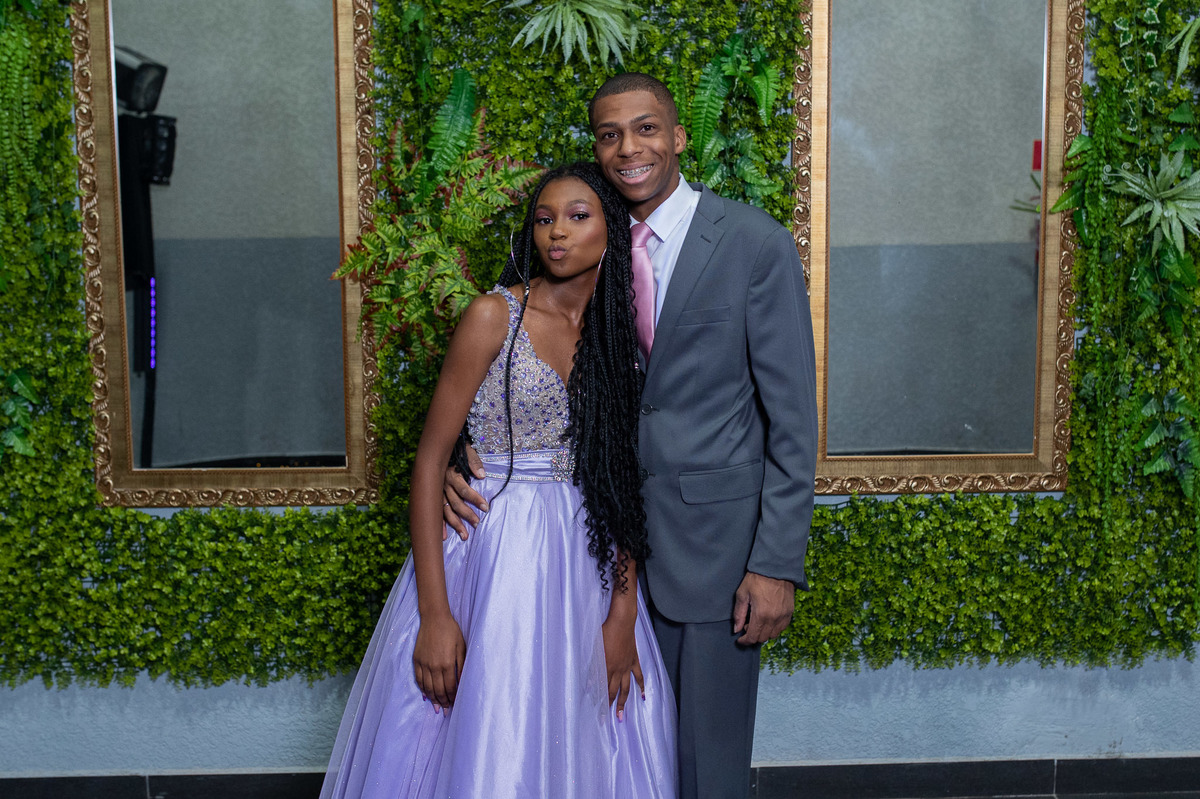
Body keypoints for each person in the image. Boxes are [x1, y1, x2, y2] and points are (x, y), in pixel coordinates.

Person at [444, 74, 817, 798]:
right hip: (585, 556)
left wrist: (776, 563)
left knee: (705, 769)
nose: (628, 148)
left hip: (710, 554)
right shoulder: (588, 237)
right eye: (609, 134)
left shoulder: (752, 244)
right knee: (602, 760)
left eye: (646, 128)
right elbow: (525, 365)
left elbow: (793, 420)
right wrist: (464, 457)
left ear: (678, 136)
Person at [321, 162, 677, 799]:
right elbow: (430, 462)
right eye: (543, 219)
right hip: (492, 553)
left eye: (577, 217)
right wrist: (436, 615)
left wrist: (623, 612)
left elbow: (620, 477)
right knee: (488, 726)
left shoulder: (617, 337)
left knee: (588, 731)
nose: (556, 233)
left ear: (612, 231)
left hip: (585, 561)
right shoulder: (493, 316)